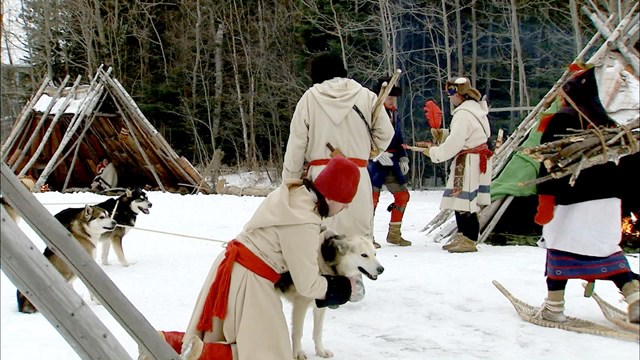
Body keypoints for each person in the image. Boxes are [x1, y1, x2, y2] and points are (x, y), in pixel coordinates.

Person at [174, 156, 366, 360]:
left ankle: (168, 343)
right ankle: (199, 354)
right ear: (331, 197)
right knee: (267, 352)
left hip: (231, 265)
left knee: (232, 339)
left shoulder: (296, 194)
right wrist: (344, 288)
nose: (345, 208)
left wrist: (326, 235)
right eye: (345, 202)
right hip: (250, 279)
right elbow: (307, 285)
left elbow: (298, 230)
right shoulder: (303, 223)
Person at [533, 66, 639, 324]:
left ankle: (554, 308)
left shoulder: (563, 119)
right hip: (607, 201)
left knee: (560, 251)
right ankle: (634, 296)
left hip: (571, 200)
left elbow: (548, 163)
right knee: (607, 250)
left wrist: (544, 199)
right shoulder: (610, 123)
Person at [281, 52, 394, 243]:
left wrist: (289, 182)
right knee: (358, 246)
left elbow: (297, 144)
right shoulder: (366, 96)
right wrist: (370, 151)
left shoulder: (310, 99)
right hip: (357, 177)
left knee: (322, 243)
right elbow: (386, 133)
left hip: (321, 179)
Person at [420, 77, 492, 253]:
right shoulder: (476, 111)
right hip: (476, 158)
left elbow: (456, 142)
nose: (449, 97)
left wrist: (434, 153)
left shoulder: (463, 115)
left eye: (451, 93)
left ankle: (468, 238)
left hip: (468, 160)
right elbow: (467, 135)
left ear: (459, 94)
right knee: (461, 200)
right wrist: (443, 135)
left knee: (464, 201)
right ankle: (463, 235)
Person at [367, 78, 411, 247]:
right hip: (375, 163)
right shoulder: (372, 113)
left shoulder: (394, 113)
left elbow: (399, 138)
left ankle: (394, 233)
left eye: (394, 95)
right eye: (389, 95)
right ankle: (367, 236)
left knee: (402, 195)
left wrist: (403, 156)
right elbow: (364, 136)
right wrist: (375, 154)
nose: (392, 98)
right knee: (371, 199)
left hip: (392, 162)